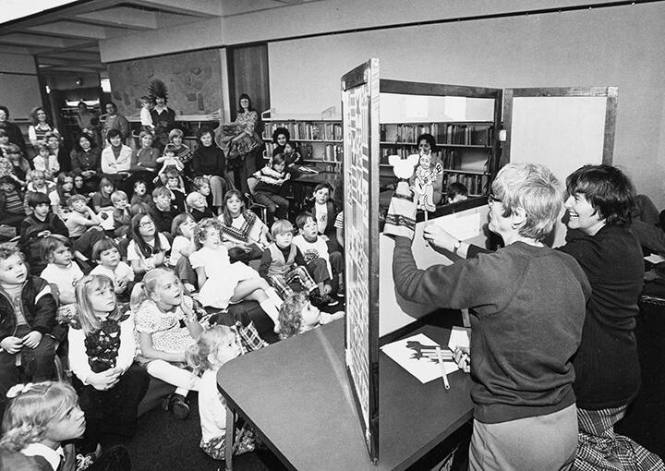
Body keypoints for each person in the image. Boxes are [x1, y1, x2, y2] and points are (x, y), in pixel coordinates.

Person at [390, 162, 592, 471]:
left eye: (495, 199)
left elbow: (409, 283)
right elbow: (529, 316)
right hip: (565, 423)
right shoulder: (570, 266)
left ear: (519, 215)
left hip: (511, 436)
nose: (489, 205)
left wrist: (404, 236)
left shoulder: (491, 272)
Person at [558, 165, 664, 470]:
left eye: (576, 198)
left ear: (602, 207)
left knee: (568, 451)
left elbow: (526, 267)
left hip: (598, 382)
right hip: (622, 370)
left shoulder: (593, 250)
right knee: (599, 443)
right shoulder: (623, 236)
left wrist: (456, 246)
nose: (567, 205)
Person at [68, 274, 150, 454]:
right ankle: (89, 444)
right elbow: (76, 358)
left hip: (117, 368)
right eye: (100, 293)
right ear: (85, 300)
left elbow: (128, 348)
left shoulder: (123, 315)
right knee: (88, 402)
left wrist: (119, 369)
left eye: (111, 290)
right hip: (92, 373)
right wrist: (92, 378)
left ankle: (121, 428)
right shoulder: (78, 322)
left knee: (138, 375)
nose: (109, 296)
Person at [0, 381, 132, 471]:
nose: (81, 413)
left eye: (76, 405)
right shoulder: (31, 466)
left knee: (117, 453)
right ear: (37, 429)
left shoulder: (52, 440)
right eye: (68, 414)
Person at [130, 268, 203, 419]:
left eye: (176, 283)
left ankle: (178, 396)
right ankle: (209, 388)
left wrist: (189, 314)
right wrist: (181, 357)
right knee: (157, 368)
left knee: (201, 349)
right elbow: (147, 351)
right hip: (150, 352)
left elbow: (199, 336)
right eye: (168, 287)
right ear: (155, 296)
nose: (176, 288)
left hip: (173, 339)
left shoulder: (184, 302)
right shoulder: (147, 312)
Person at [189, 218, 282, 328]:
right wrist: (203, 296)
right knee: (260, 282)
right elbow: (201, 277)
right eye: (212, 235)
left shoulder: (222, 249)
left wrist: (236, 245)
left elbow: (230, 247)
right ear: (202, 239)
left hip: (234, 285)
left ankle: (278, 323)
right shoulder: (198, 255)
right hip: (221, 289)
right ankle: (284, 308)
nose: (216, 238)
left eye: (218, 234)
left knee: (259, 293)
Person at [0, 243, 58, 416]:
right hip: (8, 335)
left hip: (37, 329)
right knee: (2, 366)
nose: (18, 269)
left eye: (19, 264)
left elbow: (46, 309)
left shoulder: (38, 284)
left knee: (41, 354)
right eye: (9, 268)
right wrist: (2, 338)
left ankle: (40, 396)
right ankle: (11, 404)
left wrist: (38, 331)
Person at [185, 325, 256, 460]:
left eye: (235, 342)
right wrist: (241, 411)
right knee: (257, 437)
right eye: (230, 345)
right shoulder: (215, 386)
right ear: (212, 357)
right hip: (218, 443)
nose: (236, 347)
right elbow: (223, 423)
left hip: (219, 432)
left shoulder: (216, 372)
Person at [258, 219, 330, 303]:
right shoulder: (269, 251)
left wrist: (305, 278)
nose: (286, 238)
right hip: (274, 278)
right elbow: (262, 272)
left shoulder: (294, 247)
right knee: (277, 277)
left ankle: (315, 294)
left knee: (301, 269)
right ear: (274, 237)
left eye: (289, 235)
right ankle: (292, 300)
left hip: (287, 275)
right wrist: (269, 286)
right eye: (282, 235)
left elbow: (302, 264)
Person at [216, 94, 263, 194]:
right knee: (243, 171)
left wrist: (236, 138)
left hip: (251, 145)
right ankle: (245, 194)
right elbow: (236, 127)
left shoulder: (253, 113)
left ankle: (254, 194)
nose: (244, 103)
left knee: (250, 170)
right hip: (240, 146)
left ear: (249, 102)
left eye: (246, 101)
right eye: (242, 102)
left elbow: (249, 129)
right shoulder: (240, 115)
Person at [292, 212, 343, 305]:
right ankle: (322, 295)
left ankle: (339, 285)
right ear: (301, 231)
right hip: (307, 272)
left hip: (322, 271)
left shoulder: (321, 241)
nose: (313, 228)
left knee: (328, 259)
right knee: (319, 262)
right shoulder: (296, 241)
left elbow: (326, 260)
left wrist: (328, 282)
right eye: (308, 226)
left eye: (314, 224)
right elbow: (297, 263)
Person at [20, 192, 69, 276]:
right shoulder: (27, 222)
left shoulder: (53, 217)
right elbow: (24, 242)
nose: (44, 209)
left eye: (46, 205)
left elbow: (65, 233)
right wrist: (38, 235)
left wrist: (52, 234)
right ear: (32, 207)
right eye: (40, 206)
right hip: (38, 257)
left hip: (56, 250)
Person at [219, 189, 268, 263]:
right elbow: (221, 242)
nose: (234, 204)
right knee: (233, 253)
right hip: (236, 248)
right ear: (226, 204)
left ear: (242, 203)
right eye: (231, 202)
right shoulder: (221, 220)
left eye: (237, 201)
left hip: (254, 246)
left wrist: (262, 244)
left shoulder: (250, 215)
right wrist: (237, 245)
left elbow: (262, 231)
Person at [191, 127, 230, 215]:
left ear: (212, 138)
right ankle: (204, 209)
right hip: (203, 177)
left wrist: (211, 176)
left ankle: (219, 209)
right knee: (202, 182)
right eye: (204, 138)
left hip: (218, 178)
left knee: (214, 180)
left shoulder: (218, 151)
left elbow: (221, 168)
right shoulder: (197, 153)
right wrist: (205, 176)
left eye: (208, 137)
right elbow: (196, 169)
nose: (206, 140)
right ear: (200, 139)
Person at [277, 291, 344, 340]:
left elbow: (335, 316)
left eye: (311, 305)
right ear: (299, 323)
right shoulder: (307, 339)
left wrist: (334, 317)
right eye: (308, 309)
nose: (315, 308)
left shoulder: (318, 318)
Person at [39, 235, 84, 308]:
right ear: (49, 256)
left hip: (80, 300)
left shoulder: (74, 265)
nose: (67, 254)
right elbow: (59, 298)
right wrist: (81, 302)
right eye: (61, 252)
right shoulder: (48, 274)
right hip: (64, 307)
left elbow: (82, 282)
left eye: (68, 250)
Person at [126, 213, 170, 277]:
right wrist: (145, 268)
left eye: (150, 222)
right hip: (142, 274)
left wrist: (152, 265)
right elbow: (136, 268)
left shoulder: (160, 237)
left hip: (160, 269)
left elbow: (159, 260)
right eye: (144, 224)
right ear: (137, 229)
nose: (149, 226)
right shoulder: (133, 245)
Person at [252, 153, 291, 224]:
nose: (280, 167)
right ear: (273, 164)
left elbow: (293, 172)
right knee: (272, 207)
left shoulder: (283, 174)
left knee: (285, 203)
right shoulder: (268, 171)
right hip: (260, 193)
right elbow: (255, 175)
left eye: (282, 165)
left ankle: (281, 221)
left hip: (271, 194)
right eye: (278, 164)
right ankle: (270, 224)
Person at [409, 133, 444, 206]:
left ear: (431, 147)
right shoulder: (416, 162)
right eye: (421, 145)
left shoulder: (438, 163)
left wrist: (422, 185)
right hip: (417, 192)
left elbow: (437, 185)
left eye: (426, 146)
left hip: (433, 194)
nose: (423, 148)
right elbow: (411, 180)